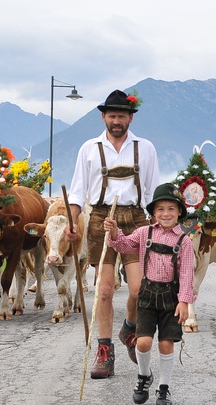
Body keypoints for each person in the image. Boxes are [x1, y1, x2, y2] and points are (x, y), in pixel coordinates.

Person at [65, 90, 160, 379]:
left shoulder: (145, 148)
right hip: (100, 220)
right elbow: (78, 191)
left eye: (121, 115)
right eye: (111, 115)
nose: (116, 121)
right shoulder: (89, 148)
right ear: (103, 117)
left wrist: (158, 225)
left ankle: (129, 328)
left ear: (130, 117)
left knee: (138, 289)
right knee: (104, 290)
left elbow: (153, 191)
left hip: (135, 221)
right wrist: (72, 222)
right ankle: (104, 351)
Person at [103, 183, 195, 405]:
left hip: (171, 299)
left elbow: (186, 274)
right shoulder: (145, 233)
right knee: (142, 342)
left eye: (171, 209)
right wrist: (114, 232)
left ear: (180, 213)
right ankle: (144, 376)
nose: (166, 214)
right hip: (146, 297)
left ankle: (164, 388)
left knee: (166, 344)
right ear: (153, 213)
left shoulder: (184, 241)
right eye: (161, 209)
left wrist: (184, 302)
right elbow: (123, 245)